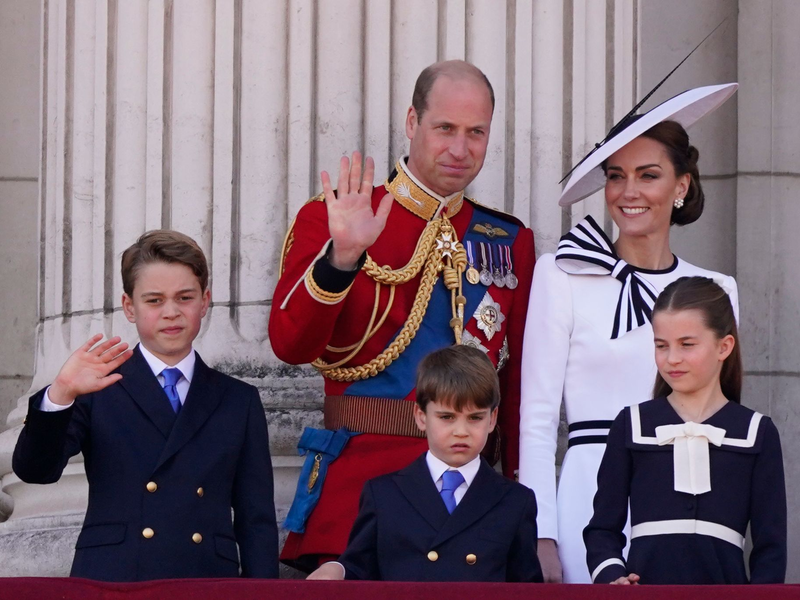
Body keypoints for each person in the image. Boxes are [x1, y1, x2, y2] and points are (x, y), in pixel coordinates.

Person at [271, 60, 535, 571]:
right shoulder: (338, 214)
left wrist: (518, 489)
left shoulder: (507, 240)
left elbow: (517, 382)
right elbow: (289, 344)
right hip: (358, 499)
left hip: (471, 506)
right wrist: (342, 258)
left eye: (476, 132)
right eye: (445, 129)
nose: (461, 149)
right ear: (412, 123)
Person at [518, 83, 741, 583]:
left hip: (687, 499)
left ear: (681, 185)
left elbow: (722, 424)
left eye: (648, 175)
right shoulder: (561, 274)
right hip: (586, 496)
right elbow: (535, 418)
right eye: (616, 176)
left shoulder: (715, 290)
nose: (628, 192)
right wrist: (540, 533)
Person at [13, 230, 279, 582]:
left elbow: (256, 518)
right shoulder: (97, 387)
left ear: (205, 301)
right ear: (129, 307)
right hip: (114, 579)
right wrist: (60, 393)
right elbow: (35, 471)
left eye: (184, 297)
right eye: (154, 300)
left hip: (206, 579)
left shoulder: (238, 400)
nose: (171, 312)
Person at [584, 276, 786, 584]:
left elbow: (770, 549)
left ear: (724, 346)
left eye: (687, 345)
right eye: (661, 346)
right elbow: (602, 530)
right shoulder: (631, 425)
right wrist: (613, 577)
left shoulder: (757, 432)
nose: (672, 359)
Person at [306, 345, 543, 582]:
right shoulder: (384, 495)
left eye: (475, 418)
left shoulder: (515, 501)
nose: (461, 431)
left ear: (492, 419)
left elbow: (526, 587)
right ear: (421, 417)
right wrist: (338, 569)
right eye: (446, 417)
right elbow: (360, 569)